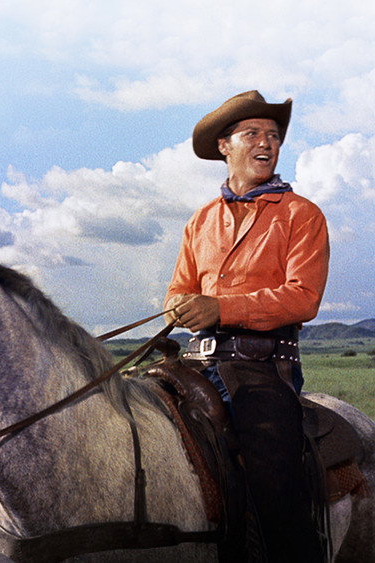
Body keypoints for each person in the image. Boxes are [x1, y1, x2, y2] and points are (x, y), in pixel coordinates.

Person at [163, 90, 330, 562]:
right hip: (196, 362)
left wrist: (221, 308)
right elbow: (178, 290)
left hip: (261, 368)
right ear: (225, 146)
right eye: (252, 133)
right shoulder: (201, 221)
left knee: (274, 483)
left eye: (273, 135)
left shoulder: (301, 215)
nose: (266, 143)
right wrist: (178, 308)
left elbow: (304, 297)